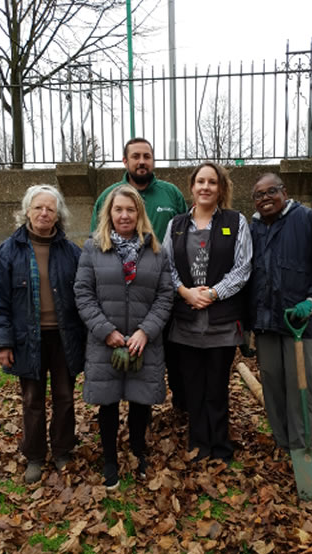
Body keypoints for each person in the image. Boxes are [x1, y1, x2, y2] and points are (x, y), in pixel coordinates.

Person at [74, 184, 173, 490]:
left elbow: (165, 295)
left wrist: (146, 331)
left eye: (131, 209)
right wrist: (106, 331)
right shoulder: (93, 248)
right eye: (118, 209)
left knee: (141, 403)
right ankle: (110, 461)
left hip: (145, 342)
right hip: (106, 342)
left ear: (139, 213)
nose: (125, 215)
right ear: (110, 213)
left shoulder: (156, 251)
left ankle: (138, 453)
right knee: (109, 404)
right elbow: (83, 293)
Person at [0, 185, 86, 484]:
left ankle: (63, 450)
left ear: (58, 215)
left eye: (50, 209)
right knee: (32, 400)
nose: (44, 213)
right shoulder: (8, 251)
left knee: (65, 397)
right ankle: (35, 456)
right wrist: (1, 341)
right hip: (27, 339)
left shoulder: (72, 252)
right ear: (27, 211)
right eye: (38, 207)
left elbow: (84, 296)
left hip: (64, 338)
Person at [162, 162, 252, 465]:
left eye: (212, 182)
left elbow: (243, 268)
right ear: (192, 187)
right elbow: (166, 266)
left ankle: (220, 446)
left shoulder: (236, 222)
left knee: (216, 387)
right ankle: (199, 444)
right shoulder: (175, 224)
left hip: (222, 321)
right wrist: (185, 292)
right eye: (200, 181)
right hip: (186, 320)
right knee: (193, 388)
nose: (205, 187)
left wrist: (214, 293)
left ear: (221, 188)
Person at [90, 137, 188, 412]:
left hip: (163, 291)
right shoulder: (108, 196)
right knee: (117, 368)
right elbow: (95, 241)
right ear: (125, 161)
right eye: (136, 156)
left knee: (170, 359)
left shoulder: (171, 194)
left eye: (147, 156)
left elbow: (186, 234)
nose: (142, 161)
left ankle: (179, 410)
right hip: (116, 299)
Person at [248, 173, 312, 453]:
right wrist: (247, 325)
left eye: (271, 191)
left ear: (284, 192)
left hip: (299, 325)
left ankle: (302, 449)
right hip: (265, 325)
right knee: (273, 388)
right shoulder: (252, 228)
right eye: (259, 195)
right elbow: (246, 276)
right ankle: (283, 444)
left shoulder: (305, 219)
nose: (265, 199)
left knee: (300, 387)